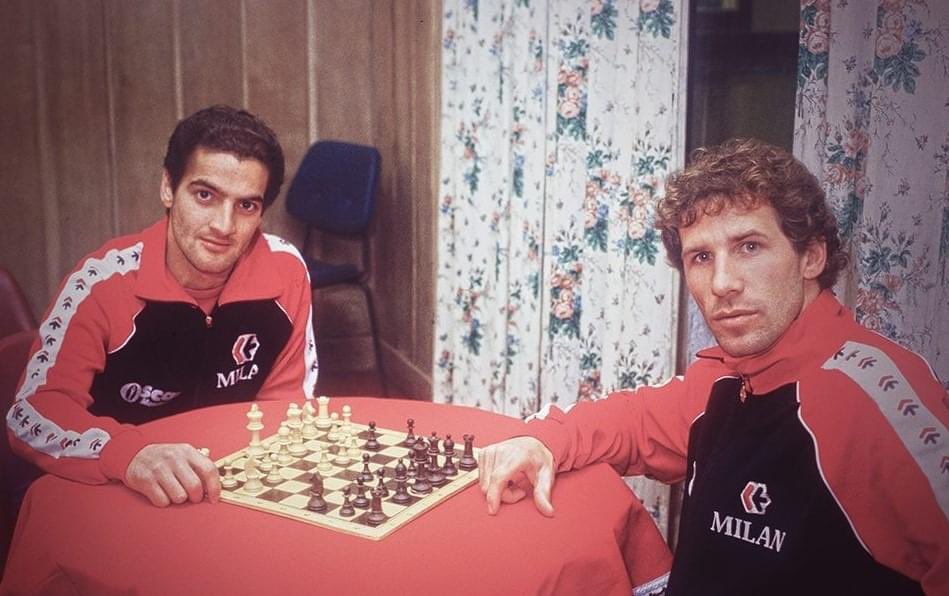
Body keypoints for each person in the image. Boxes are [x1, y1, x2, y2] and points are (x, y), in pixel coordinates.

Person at [478, 138, 947, 595]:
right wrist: (543, 439)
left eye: (749, 247)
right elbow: (634, 422)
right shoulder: (726, 375)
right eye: (701, 257)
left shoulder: (876, 397)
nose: (722, 284)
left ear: (811, 256)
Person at [5, 105, 318, 508]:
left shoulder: (287, 270)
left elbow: (285, 407)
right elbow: (29, 414)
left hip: (225, 486)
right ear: (168, 188)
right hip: (111, 485)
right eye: (205, 195)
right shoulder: (101, 281)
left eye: (246, 206)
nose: (223, 226)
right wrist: (127, 454)